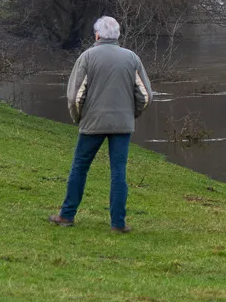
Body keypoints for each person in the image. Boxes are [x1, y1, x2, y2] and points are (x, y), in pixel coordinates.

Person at [49, 16, 152, 233]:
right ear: (117, 35)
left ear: (97, 35)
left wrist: (79, 118)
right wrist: (131, 114)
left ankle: (66, 215)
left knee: (80, 168)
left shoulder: (87, 57)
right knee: (118, 173)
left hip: (92, 123)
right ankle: (118, 223)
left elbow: (75, 97)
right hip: (122, 125)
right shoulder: (132, 58)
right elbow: (145, 95)